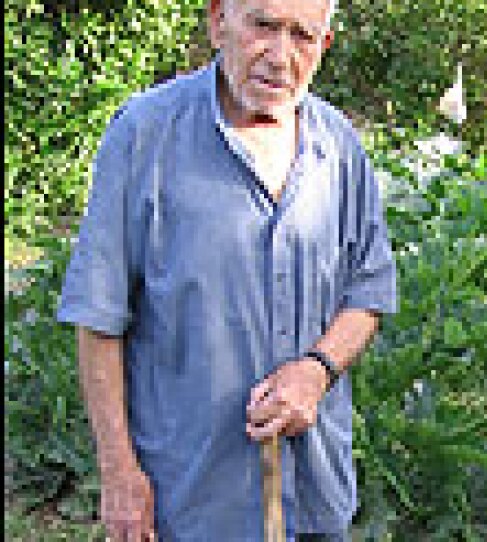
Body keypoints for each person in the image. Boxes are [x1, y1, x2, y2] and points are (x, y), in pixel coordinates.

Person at [56, 0, 398, 539]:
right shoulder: (146, 135)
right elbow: (99, 319)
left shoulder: (339, 146)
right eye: (263, 26)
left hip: (314, 496)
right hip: (190, 502)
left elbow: (369, 289)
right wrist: (119, 473)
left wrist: (317, 370)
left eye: (302, 36)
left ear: (324, 47)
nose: (280, 57)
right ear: (219, 21)